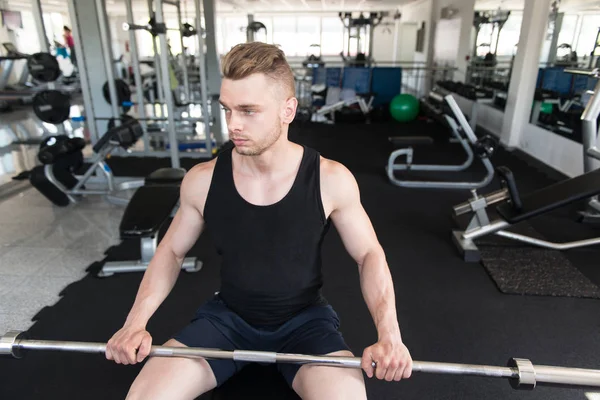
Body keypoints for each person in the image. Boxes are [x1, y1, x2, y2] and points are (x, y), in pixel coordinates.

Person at [105, 42, 413, 399]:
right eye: (227, 110)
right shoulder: (202, 180)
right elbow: (172, 251)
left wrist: (389, 335)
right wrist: (134, 324)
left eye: (249, 111)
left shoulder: (330, 179)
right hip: (227, 322)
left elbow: (369, 255)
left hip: (306, 324)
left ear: (288, 110)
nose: (233, 125)